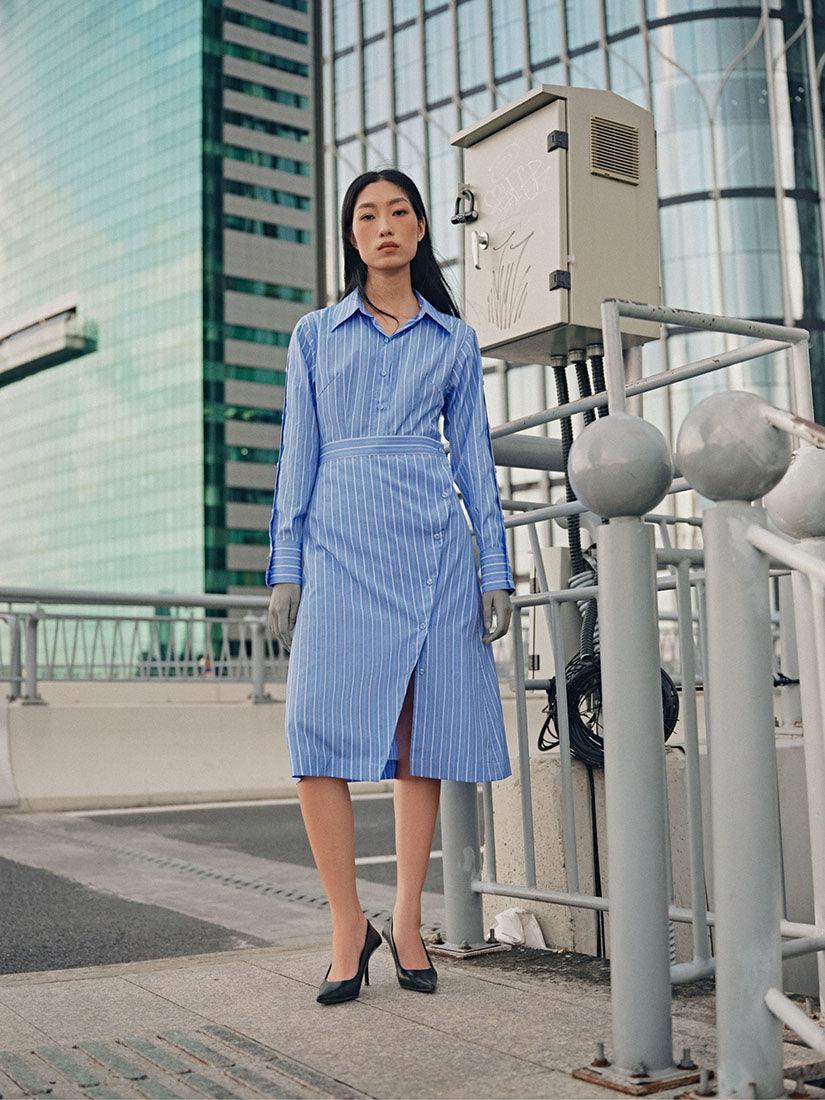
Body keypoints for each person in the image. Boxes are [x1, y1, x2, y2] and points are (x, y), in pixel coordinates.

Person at [265, 168, 515, 1005]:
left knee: (421, 738)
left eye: (398, 212)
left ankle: (406, 920)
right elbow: (295, 456)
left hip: (432, 548)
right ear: (350, 234)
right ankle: (348, 925)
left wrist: (494, 569)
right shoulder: (313, 335)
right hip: (337, 543)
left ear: (417, 231)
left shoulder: (454, 340)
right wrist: (286, 567)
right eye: (367, 214)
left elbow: (474, 465)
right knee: (313, 736)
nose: (383, 226)